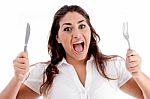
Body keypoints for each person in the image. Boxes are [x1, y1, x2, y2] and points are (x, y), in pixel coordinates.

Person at [0, 5, 150, 99]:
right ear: (57, 37)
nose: (77, 34)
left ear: (90, 30)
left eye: (82, 26)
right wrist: (17, 78)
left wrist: (138, 74)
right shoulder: (45, 72)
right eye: (67, 28)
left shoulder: (113, 66)